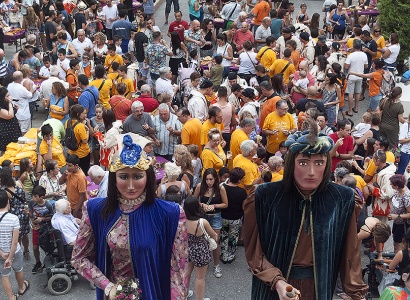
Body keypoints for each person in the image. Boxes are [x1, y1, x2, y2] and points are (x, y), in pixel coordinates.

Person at [243, 118, 367, 299]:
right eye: (303, 163)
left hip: (318, 288)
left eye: (319, 163)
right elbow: (254, 252)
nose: (311, 172)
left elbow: (350, 254)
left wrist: (357, 294)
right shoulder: (265, 196)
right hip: (273, 289)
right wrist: (277, 281)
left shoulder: (342, 199)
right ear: (292, 163)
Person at [71, 134, 188, 299]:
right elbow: (79, 258)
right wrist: (108, 286)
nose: (131, 186)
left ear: (148, 177)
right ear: (114, 177)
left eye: (138, 176)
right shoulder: (95, 210)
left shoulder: (171, 214)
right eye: (124, 176)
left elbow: (178, 270)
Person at [194, 168, 228, 279]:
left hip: (215, 217)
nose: (209, 182)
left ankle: (216, 265)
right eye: (207, 179)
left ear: (215, 179)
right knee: (203, 240)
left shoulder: (220, 188)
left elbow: (225, 204)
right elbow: (193, 201)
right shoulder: (200, 186)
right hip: (203, 217)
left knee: (215, 241)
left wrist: (214, 206)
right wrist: (202, 205)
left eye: (211, 179)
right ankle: (205, 262)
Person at [184, 196, 216, 300]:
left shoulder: (182, 220)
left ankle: (184, 294)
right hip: (201, 251)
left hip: (188, 249)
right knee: (200, 277)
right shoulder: (202, 222)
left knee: (187, 274)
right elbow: (213, 234)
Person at [0, 190, 30, 300]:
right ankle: (21, 288)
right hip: (15, 252)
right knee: (18, 269)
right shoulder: (14, 218)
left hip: (1, 253)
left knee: (4, 275)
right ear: (8, 202)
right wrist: (10, 257)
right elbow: (15, 241)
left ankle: (10, 297)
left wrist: (2, 253)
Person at [0, 168, 30, 259]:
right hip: (23, 213)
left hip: (13, 214)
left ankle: (17, 254)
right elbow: (24, 198)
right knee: (24, 234)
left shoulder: (4, 191)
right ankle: (27, 251)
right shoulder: (18, 185)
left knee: (16, 236)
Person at [220, 168, 247, 263]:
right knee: (233, 237)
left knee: (224, 235)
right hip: (236, 217)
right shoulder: (242, 192)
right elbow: (244, 206)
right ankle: (230, 255)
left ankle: (223, 254)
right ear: (239, 180)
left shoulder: (223, 187)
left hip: (224, 216)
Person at [27, 185, 54, 274]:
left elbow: (52, 217)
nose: (33, 198)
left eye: (35, 196)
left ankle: (50, 261)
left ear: (41, 197)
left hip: (46, 228)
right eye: (33, 196)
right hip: (36, 228)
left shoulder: (48, 205)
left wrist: (42, 219)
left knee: (47, 246)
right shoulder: (31, 203)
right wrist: (29, 215)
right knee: (35, 247)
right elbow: (31, 215)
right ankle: (38, 262)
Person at [386, 174, 410, 253]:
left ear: (397, 186)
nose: (390, 184)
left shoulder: (406, 197)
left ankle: (399, 260)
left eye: (391, 184)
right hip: (397, 222)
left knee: (399, 243)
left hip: (403, 225)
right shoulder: (397, 191)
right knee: (395, 240)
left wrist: (397, 216)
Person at [58, 154, 88, 218]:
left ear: (76, 165)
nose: (67, 167)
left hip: (78, 207)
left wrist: (76, 211)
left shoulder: (80, 177)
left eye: (70, 165)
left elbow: (82, 196)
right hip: (70, 205)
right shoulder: (69, 172)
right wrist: (63, 175)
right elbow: (60, 182)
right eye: (67, 165)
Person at [344, 39, 368, 116]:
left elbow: (346, 67)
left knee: (350, 93)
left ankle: (350, 111)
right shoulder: (364, 55)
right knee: (357, 92)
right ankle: (356, 108)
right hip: (360, 76)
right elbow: (366, 66)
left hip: (352, 76)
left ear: (353, 47)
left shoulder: (351, 55)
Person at [0, 87, 21, 155]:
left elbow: (12, 112)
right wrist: (10, 103)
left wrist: (15, 109)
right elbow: (9, 115)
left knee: (15, 146)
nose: (9, 97)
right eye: (7, 96)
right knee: (6, 149)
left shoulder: (5, 103)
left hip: (13, 128)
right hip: (5, 130)